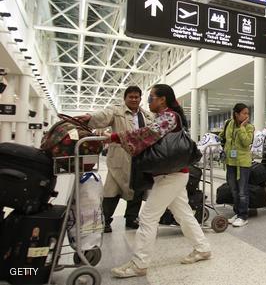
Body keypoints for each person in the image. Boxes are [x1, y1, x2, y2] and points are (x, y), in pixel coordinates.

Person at [108, 84, 211, 278]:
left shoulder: (169, 116)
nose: (148, 101)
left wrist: (113, 137)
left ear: (162, 99)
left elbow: (146, 134)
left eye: (151, 98)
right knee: (184, 214)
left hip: (171, 176)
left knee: (147, 217)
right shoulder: (165, 117)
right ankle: (202, 248)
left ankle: (139, 263)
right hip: (174, 174)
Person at [76, 86, 153, 232]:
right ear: (125, 98)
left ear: (140, 98)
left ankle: (131, 218)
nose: (134, 99)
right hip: (120, 157)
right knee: (112, 190)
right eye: (131, 96)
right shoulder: (116, 111)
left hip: (141, 157)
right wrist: (90, 117)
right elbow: (103, 116)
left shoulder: (146, 115)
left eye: (137, 97)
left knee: (137, 188)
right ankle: (105, 220)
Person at [219, 103, 255, 228]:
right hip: (230, 162)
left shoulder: (249, 127)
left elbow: (246, 142)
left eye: (247, 113)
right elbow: (223, 137)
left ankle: (243, 216)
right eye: (244, 113)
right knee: (234, 190)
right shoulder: (228, 124)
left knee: (242, 191)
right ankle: (237, 212)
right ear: (236, 114)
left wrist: (242, 127)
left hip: (243, 163)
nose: (247, 116)